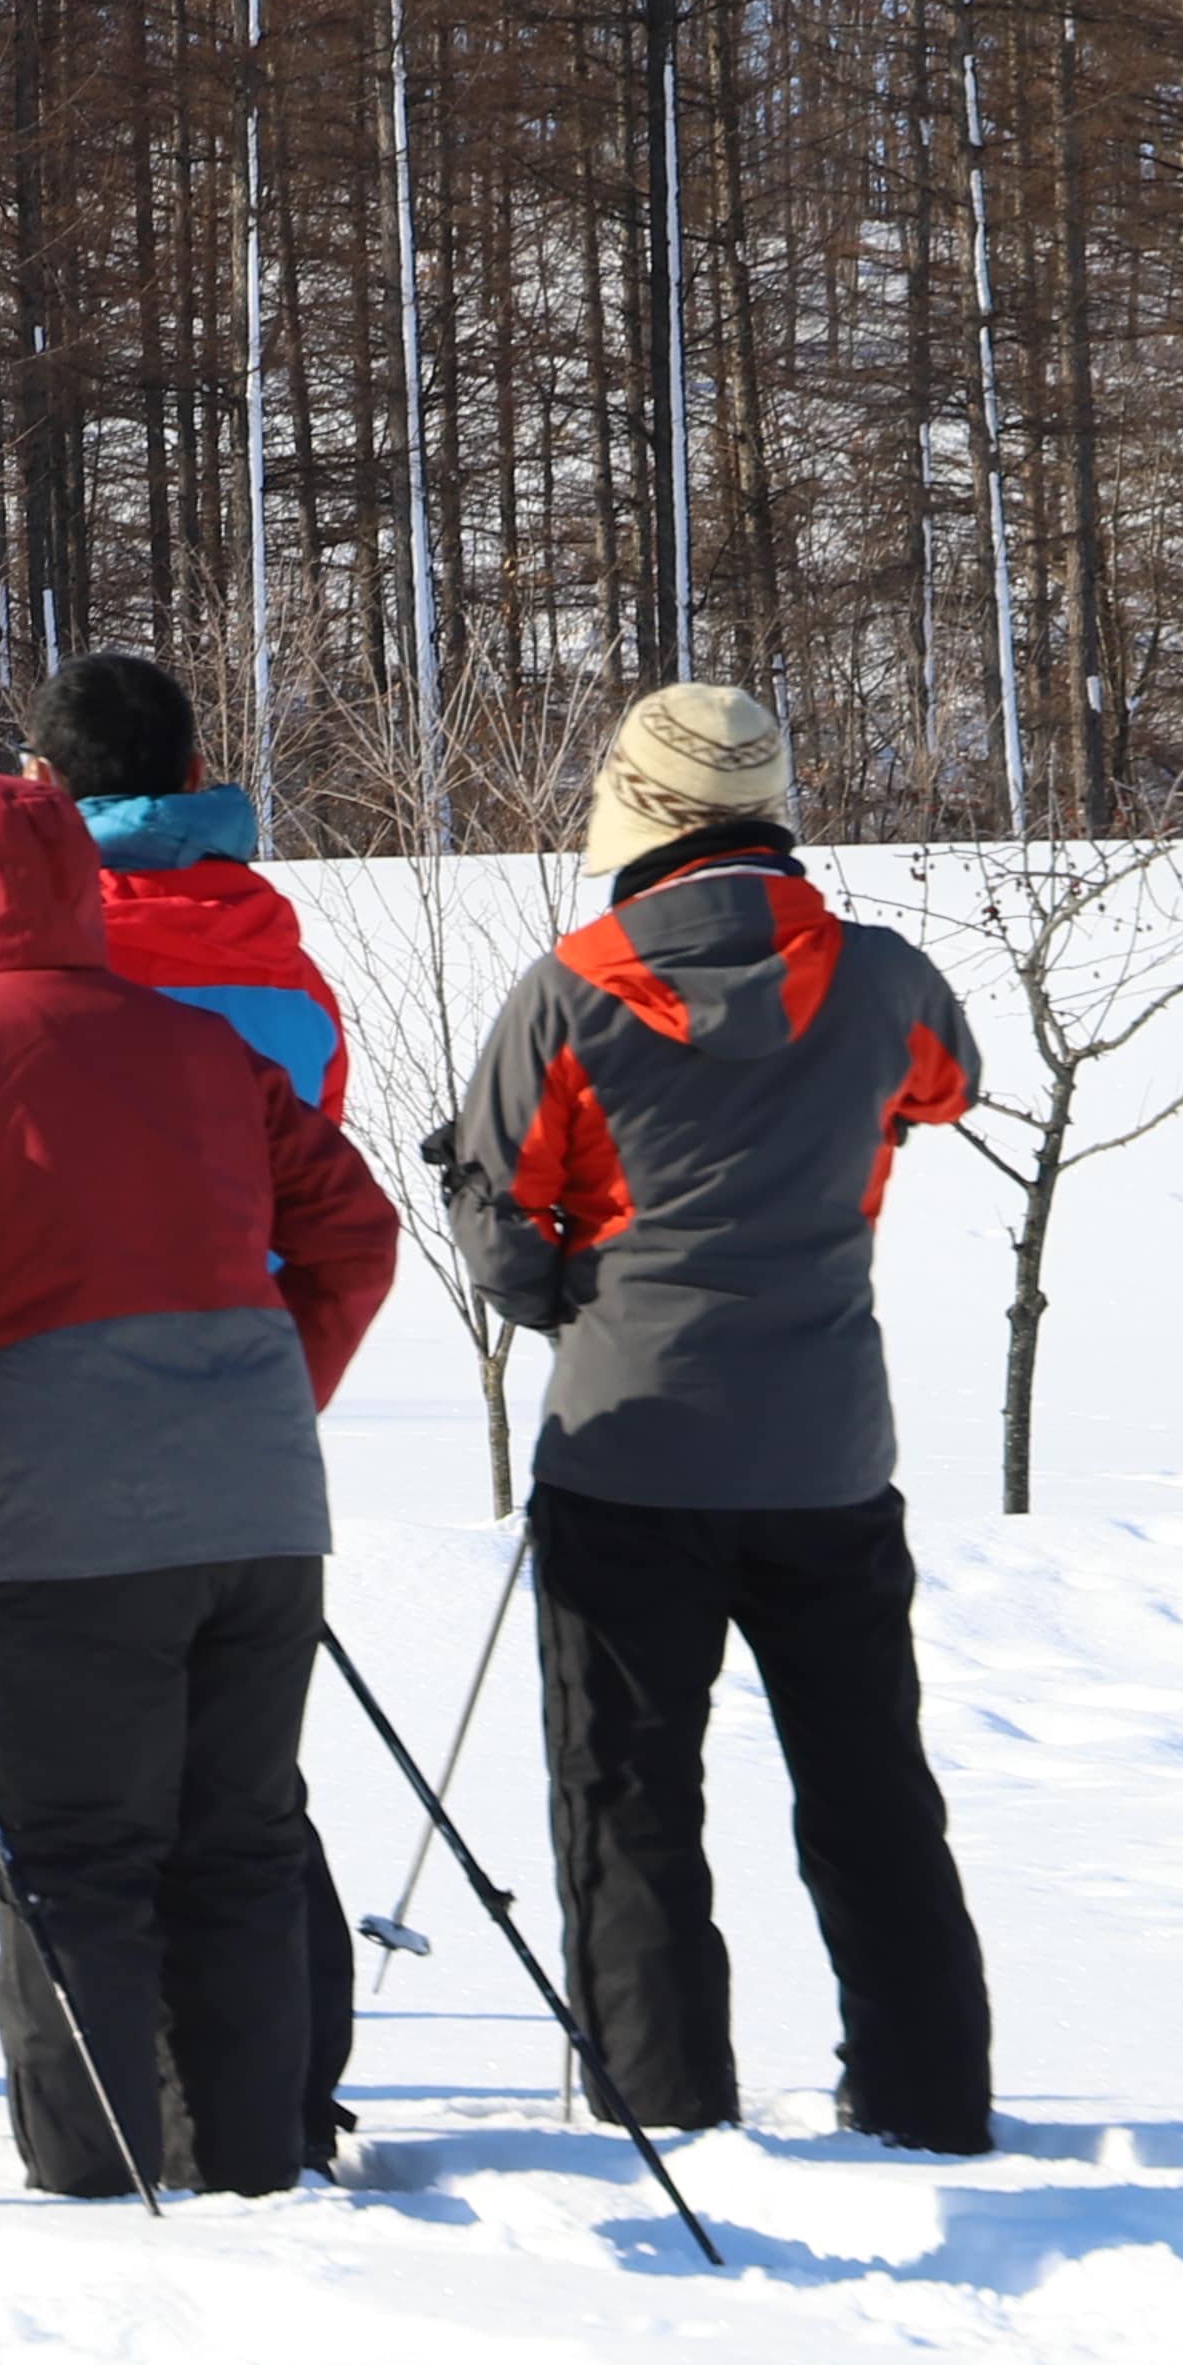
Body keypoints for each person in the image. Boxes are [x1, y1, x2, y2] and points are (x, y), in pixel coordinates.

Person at [0, 767, 400, 2200]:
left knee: (76, 1853)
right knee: (240, 1840)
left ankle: (99, 2184)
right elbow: (358, 1233)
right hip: (262, 1503)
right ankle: (253, 2171)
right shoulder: (195, 1044)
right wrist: (266, 1388)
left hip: (79, 1516)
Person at [436, 682, 994, 2154]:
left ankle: (663, 2110)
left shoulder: (570, 987)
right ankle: (931, 2100)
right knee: (871, 1783)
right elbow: (949, 1093)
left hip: (629, 1446)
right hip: (826, 1449)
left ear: (635, 814)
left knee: (626, 1791)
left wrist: (579, 1282)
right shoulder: (881, 977)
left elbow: (506, 1246)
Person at [26, 646, 372, 2154]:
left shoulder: (41, 959)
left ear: (46, 784)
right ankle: (283, 2094)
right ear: (189, 779)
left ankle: (128, 2110)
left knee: (97, 1787)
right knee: (248, 1783)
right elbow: (316, 1200)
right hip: (249, 1407)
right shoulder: (284, 969)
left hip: (78, 1409)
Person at [33, 650, 347, 1123]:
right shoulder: (300, 986)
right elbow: (324, 1175)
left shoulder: (21, 967)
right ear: (195, 775)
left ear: (40, 779)